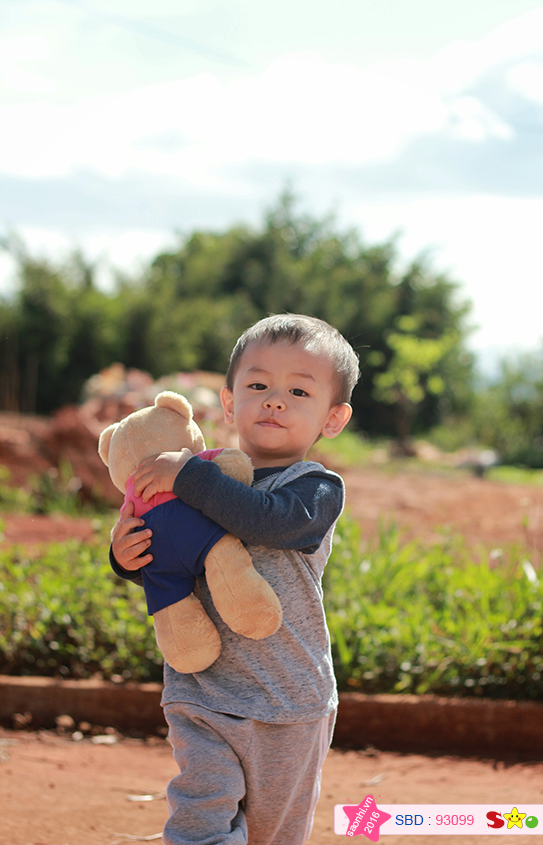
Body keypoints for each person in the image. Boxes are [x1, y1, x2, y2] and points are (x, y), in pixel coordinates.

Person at [110, 313, 360, 845]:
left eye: (298, 390)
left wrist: (189, 476)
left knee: (272, 834)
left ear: (333, 418)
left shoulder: (315, 488)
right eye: (258, 385)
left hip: (288, 700)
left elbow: (267, 520)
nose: (274, 400)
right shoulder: (195, 478)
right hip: (202, 693)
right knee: (201, 820)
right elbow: (174, 559)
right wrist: (126, 554)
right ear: (228, 403)